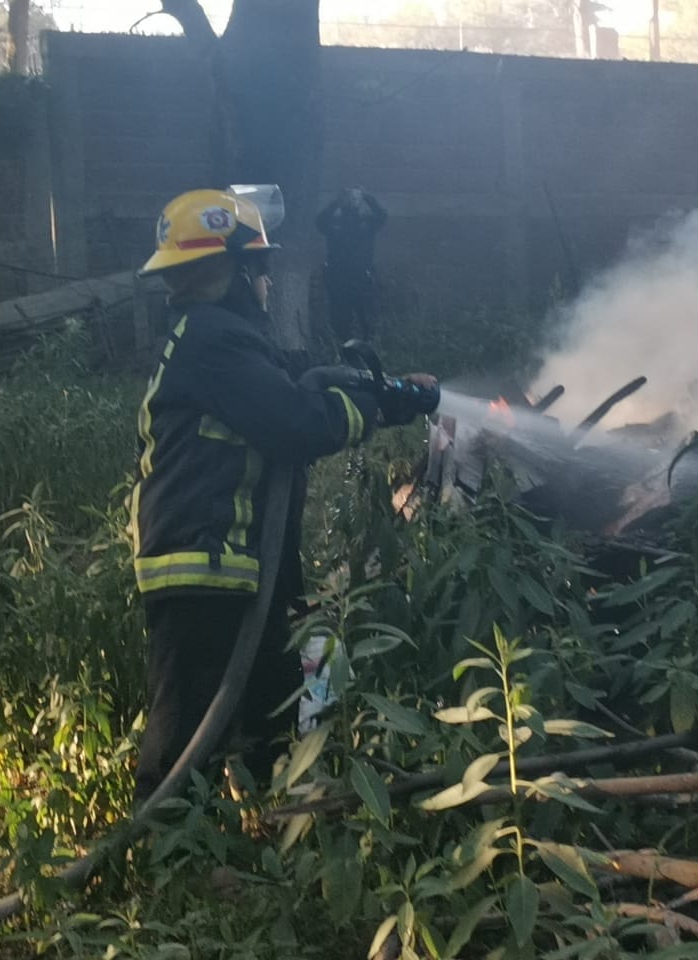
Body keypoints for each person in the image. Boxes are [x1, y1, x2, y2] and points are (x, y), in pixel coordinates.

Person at [129, 188, 435, 804]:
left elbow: (294, 387)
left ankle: (284, 808)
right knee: (187, 723)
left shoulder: (214, 340)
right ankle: (161, 849)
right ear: (234, 271)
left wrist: (387, 395)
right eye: (260, 268)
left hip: (239, 565)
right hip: (203, 565)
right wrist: (360, 410)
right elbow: (295, 421)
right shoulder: (215, 339)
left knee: (299, 674)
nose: (267, 282)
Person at [316, 187, 387, 344]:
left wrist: (366, 196)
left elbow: (382, 216)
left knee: (366, 318)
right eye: (348, 199)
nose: (351, 202)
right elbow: (319, 222)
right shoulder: (336, 225)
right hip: (338, 278)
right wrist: (336, 202)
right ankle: (344, 347)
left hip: (361, 278)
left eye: (354, 199)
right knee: (340, 319)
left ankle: (367, 346)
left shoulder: (365, 224)